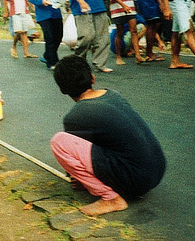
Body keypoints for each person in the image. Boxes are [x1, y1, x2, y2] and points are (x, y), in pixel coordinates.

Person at [50, 55, 166, 216]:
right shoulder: (113, 94)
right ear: (92, 78)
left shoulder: (76, 116)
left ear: (63, 90)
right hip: (157, 171)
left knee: (59, 142)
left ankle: (111, 198)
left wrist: (79, 178)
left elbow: (79, 160)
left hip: (137, 180)